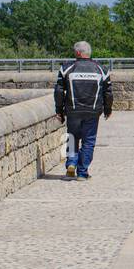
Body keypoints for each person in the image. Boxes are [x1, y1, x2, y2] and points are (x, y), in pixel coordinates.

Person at [55, 41, 112, 180]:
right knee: (89, 141)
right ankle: (82, 172)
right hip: (92, 112)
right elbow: (108, 93)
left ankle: (71, 164)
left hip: (73, 111)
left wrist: (59, 110)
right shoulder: (101, 69)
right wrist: (107, 109)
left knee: (72, 138)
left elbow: (59, 91)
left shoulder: (66, 68)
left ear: (78, 53)